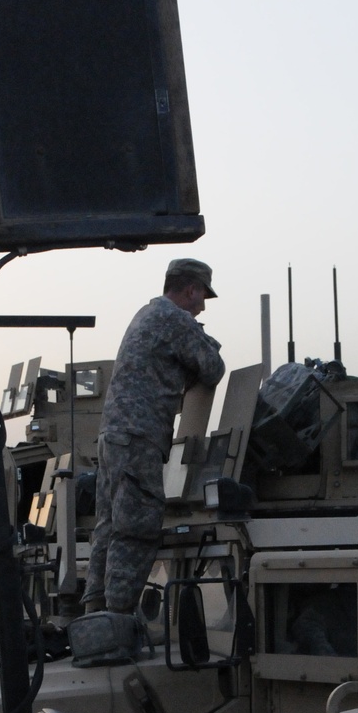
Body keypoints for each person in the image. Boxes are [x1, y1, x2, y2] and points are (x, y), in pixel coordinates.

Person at [83, 259, 225, 615]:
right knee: (137, 531)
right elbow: (213, 368)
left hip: (115, 437)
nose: (203, 305)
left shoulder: (147, 313)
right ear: (191, 289)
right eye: (202, 295)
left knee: (109, 527)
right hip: (138, 437)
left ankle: (94, 618)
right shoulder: (174, 319)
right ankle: (116, 623)